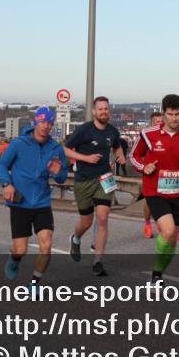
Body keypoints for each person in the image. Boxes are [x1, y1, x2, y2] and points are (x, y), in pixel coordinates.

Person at [130, 95, 179, 283]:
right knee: (169, 231)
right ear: (163, 114)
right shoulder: (149, 135)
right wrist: (143, 167)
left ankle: (158, 271)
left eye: (177, 114)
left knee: (171, 242)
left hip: (178, 192)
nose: (173, 118)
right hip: (155, 191)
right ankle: (156, 275)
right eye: (169, 114)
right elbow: (133, 156)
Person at [0, 107, 68, 284]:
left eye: (49, 123)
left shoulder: (55, 148)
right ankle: (15, 259)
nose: (46, 126)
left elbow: (62, 178)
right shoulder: (19, 143)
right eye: (42, 122)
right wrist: (7, 184)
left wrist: (58, 173)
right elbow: (1, 165)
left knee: (46, 245)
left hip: (42, 203)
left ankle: (35, 282)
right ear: (35, 122)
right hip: (20, 202)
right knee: (21, 249)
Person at [65, 96, 126, 277]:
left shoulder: (113, 131)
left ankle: (98, 261)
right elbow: (65, 149)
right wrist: (86, 159)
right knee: (86, 221)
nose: (103, 112)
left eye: (106, 109)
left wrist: (120, 156)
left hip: (104, 178)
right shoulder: (84, 130)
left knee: (103, 217)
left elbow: (117, 147)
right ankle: (75, 239)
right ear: (94, 111)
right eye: (100, 109)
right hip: (83, 179)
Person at [137, 111, 163, 239]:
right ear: (152, 123)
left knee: (163, 200)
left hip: (164, 175)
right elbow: (135, 154)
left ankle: (161, 222)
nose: (160, 124)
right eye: (157, 122)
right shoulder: (146, 137)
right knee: (149, 201)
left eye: (161, 121)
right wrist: (144, 166)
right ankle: (147, 223)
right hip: (150, 174)